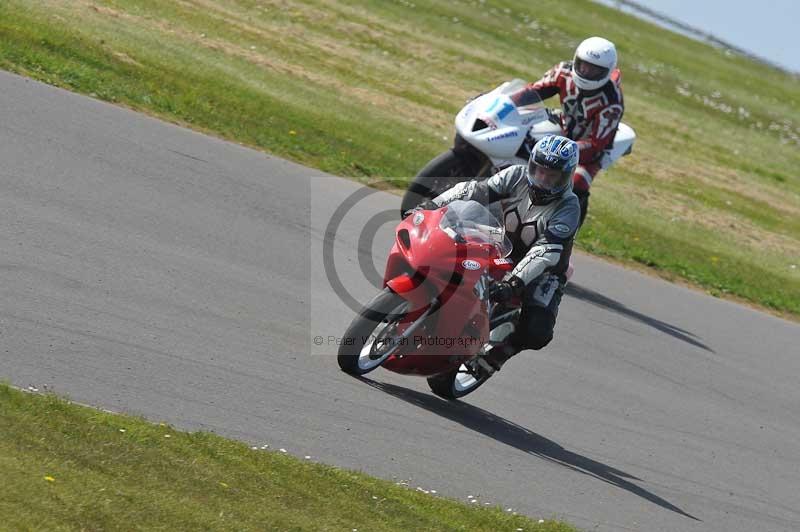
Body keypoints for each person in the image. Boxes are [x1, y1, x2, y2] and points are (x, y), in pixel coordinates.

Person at [414, 135, 580, 372]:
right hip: (501, 241)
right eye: (540, 170)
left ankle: (494, 358)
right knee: (450, 249)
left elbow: (545, 251)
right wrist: (431, 207)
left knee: (536, 331)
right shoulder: (516, 175)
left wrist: (513, 283)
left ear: (566, 176)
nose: (543, 179)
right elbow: (474, 191)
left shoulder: (568, 206)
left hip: (545, 268)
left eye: (552, 176)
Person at [511, 36, 623, 227]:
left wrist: (564, 150)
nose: (586, 72)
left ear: (607, 71)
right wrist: (506, 103)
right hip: (564, 127)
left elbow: (596, 145)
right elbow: (534, 91)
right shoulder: (563, 72)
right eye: (583, 65)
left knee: (578, 181)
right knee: (520, 135)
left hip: (589, 151)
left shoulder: (612, 101)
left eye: (594, 69)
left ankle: (568, 232)